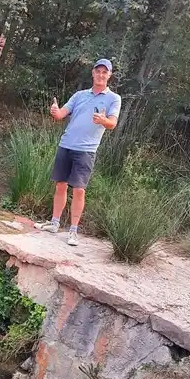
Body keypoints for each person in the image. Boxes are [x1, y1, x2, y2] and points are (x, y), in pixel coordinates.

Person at [36, 58, 121, 247]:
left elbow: (112, 124)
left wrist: (103, 120)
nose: (100, 75)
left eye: (104, 72)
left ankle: (73, 231)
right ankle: (54, 223)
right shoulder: (80, 95)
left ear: (109, 76)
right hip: (66, 144)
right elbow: (60, 115)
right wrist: (55, 110)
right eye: (98, 71)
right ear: (93, 73)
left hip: (86, 150)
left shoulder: (113, 99)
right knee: (60, 185)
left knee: (79, 190)